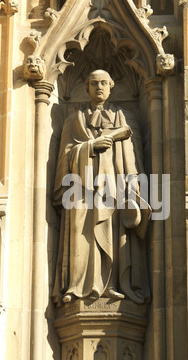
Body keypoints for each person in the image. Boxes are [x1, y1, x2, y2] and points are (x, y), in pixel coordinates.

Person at [52, 69, 150, 306]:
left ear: (112, 85)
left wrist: (135, 190)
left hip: (114, 189)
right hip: (81, 191)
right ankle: (77, 288)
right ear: (86, 86)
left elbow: (133, 160)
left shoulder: (125, 119)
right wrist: (91, 147)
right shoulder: (73, 120)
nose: (99, 87)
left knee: (115, 235)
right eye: (94, 82)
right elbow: (64, 158)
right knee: (80, 235)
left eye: (104, 82)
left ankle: (112, 285)